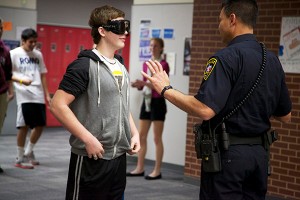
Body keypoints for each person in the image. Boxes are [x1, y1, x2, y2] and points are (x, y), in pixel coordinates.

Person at [142, 0, 292, 199]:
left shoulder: (225, 58)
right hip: (260, 156)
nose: (217, 26)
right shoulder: (271, 60)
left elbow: (205, 109)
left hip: (228, 156)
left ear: (232, 19)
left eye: (219, 20)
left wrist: (166, 90)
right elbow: (285, 116)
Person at [50, 5, 140, 200]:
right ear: (102, 31)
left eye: (126, 26)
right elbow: (57, 105)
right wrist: (88, 139)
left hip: (118, 158)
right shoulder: (83, 66)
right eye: (119, 27)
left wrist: (134, 133)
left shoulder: (120, 65)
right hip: (92, 156)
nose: (125, 32)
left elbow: (121, 103)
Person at [127, 38, 170, 180]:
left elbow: (160, 86)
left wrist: (144, 83)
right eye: (151, 46)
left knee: (157, 138)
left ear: (161, 48)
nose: (152, 48)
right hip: (146, 102)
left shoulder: (164, 64)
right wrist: (139, 85)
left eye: (156, 46)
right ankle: (140, 168)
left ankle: (157, 171)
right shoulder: (146, 64)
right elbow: (146, 85)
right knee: (141, 136)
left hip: (158, 103)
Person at [10, 28, 51, 169]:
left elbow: (43, 75)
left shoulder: (38, 54)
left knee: (39, 125)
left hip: (38, 93)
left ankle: (28, 151)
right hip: (23, 94)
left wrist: (47, 94)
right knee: (23, 126)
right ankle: (20, 157)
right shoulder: (14, 54)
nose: (33, 44)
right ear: (23, 40)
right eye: (30, 42)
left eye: (35, 42)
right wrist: (19, 83)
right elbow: (8, 74)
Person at [0, 18, 14, 173]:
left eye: (1, 27)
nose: (0, 30)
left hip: (1, 93)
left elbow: (8, 73)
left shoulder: (5, 51)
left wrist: (11, 91)